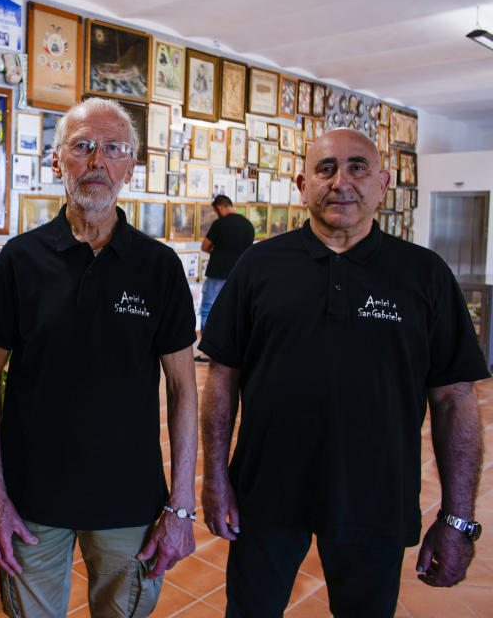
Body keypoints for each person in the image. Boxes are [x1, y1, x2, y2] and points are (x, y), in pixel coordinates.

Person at [199, 128, 488, 617]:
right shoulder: (259, 266)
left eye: (358, 167)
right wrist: (215, 478)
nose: (341, 182)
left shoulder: (424, 274)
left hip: (376, 496)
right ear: (302, 183)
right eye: (326, 168)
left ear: (382, 183)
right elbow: (221, 378)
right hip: (265, 495)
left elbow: (454, 399)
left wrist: (458, 519)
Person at [0, 97, 199, 618]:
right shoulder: (20, 260)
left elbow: (185, 389)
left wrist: (180, 506)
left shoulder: (158, 267)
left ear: (131, 167)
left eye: (115, 149)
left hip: (130, 503)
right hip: (31, 504)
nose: (98, 161)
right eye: (82, 147)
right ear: (57, 161)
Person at [197, 195, 253, 349]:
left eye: (216, 211)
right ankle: (229, 348)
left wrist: (217, 248)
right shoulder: (248, 225)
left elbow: (205, 246)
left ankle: (207, 350)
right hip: (238, 276)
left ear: (220, 207)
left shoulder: (220, 224)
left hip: (217, 273)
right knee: (234, 312)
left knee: (208, 309)